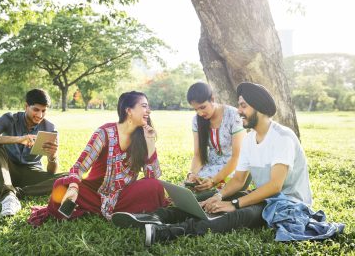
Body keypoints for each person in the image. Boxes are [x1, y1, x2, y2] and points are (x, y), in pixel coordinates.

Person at [112, 82, 314, 246]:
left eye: (243, 106)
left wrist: (233, 204)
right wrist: (217, 196)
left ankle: (167, 232)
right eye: (239, 105)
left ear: (259, 107)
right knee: (205, 200)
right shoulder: (251, 140)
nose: (239, 111)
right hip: (265, 198)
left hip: (287, 203)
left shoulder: (282, 137)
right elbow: (238, 179)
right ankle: (152, 217)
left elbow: (275, 186)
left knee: (238, 214)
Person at [27, 91, 168, 226]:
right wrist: (74, 187)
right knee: (61, 186)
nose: (149, 111)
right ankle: (123, 212)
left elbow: (153, 177)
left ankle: (116, 212)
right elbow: (80, 166)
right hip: (94, 195)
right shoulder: (104, 133)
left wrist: (150, 142)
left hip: (124, 195)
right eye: (144, 106)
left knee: (155, 186)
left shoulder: (143, 137)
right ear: (129, 110)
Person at [0, 89, 66, 217]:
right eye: (36, 110)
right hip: (7, 170)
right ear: (26, 106)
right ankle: (8, 197)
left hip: (31, 174)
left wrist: (53, 156)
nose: (40, 115)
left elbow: (51, 173)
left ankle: (16, 193)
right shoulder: (9, 119)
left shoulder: (50, 129)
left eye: (43, 111)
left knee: (70, 178)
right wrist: (20, 139)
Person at [185, 82, 248, 194]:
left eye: (202, 107)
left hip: (233, 167)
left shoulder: (233, 115)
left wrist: (214, 180)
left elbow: (237, 157)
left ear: (212, 99)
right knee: (188, 190)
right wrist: (192, 175)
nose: (200, 113)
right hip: (211, 164)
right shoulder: (196, 120)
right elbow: (198, 154)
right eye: (196, 109)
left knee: (206, 193)